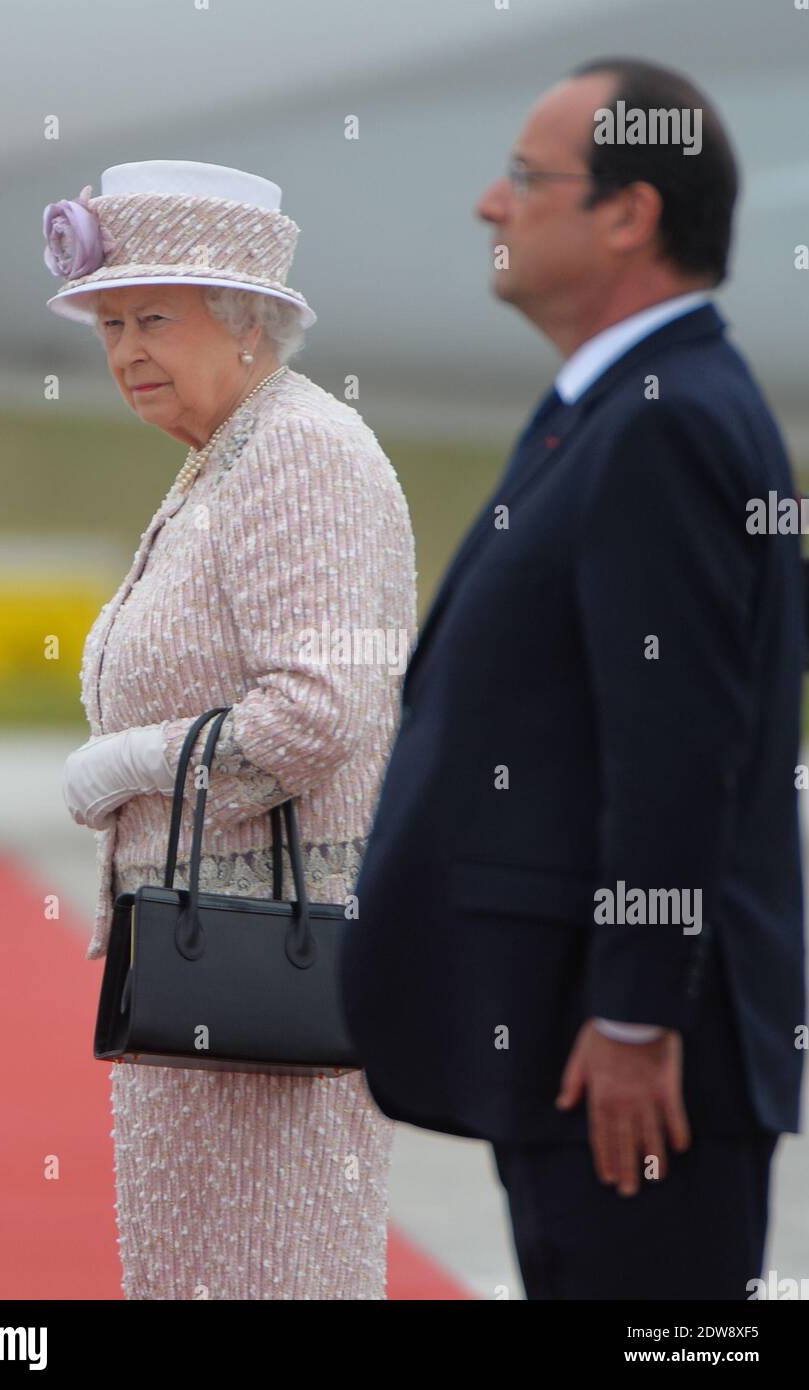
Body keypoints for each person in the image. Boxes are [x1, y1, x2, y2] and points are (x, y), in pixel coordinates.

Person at [340, 58, 805, 1299]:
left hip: (633, 1066)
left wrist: (639, 1013)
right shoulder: (616, 407)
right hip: (576, 1041)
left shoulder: (661, 419)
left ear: (626, 212)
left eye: (524, 178)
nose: (492, 206)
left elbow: (677, 746)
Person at [50, 160, 416, 1299]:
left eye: (153, 318)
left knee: (270, 1275)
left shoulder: (301, 450)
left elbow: (321, 708)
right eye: (110, 323)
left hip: (270, 981)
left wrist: (130, 761)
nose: (124, 352)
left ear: (249, 320)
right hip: (205, 978)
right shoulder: (228, 455)